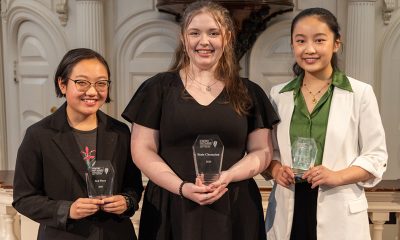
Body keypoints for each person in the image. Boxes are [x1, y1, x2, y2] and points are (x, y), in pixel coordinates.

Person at [122, 1, 279, 240]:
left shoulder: (249, 91)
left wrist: (228, 176)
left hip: (234, 203)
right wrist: (182, 187)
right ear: (184, 38)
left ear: (226, 37)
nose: (204, 41)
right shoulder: (158, 88)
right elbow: (142, 150)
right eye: (195, 33)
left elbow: (261, 151)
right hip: (171, 203)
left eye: (213, 33)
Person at [264, 8, 388, 240]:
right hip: (289, 206)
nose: (309, 49)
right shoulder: (278, 95)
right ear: (293, 45)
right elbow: (269, 151)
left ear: (336, 44)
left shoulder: (360, 93)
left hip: (338, 207)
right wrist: (276, 169)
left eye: (319, 40)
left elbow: (376, 156)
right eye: (300, 41)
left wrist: (337, 176)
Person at [13, 48, 144, 240]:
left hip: (115, 234)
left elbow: (133, 186)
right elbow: (24, 198)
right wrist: (67, 210)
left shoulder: (120, 131)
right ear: (62, 84)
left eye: (101, 83)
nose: (92, 91)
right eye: (82, 83)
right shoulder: (39, 135)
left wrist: (126, 202)